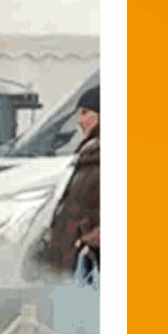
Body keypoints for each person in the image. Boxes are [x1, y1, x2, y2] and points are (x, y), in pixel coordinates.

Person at [32, 91, 102, 279]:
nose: (80, 120)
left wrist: (94, 239)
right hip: (68, 263)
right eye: (79, 113)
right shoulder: (89, 154)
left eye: (86, 112)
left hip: (91, 263)